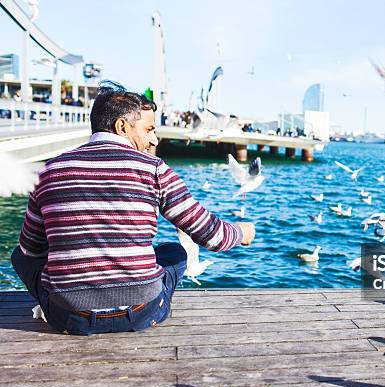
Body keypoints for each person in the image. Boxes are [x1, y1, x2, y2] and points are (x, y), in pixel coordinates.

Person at [11, 81, 255, 335]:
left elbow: (30, 249)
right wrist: (242, 232)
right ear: (122, 126)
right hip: (141, 312)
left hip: (70, 317)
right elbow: (211, 235)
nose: (154, 138)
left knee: (18, 256)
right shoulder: (154, 168)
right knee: (174, 252)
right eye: (148, 129)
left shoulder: (49, 171)